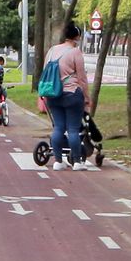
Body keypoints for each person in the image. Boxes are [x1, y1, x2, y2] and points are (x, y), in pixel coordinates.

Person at [41, 24, 96, 171]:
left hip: (53, 94)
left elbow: (45, 71)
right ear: (77, 37)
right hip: (72, 94)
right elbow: (82, 77)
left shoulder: (52, 51)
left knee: (58, 127)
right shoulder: (75, 52)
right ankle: (77, 162)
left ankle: (58, 161)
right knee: (73, 129)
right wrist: (86, 97)